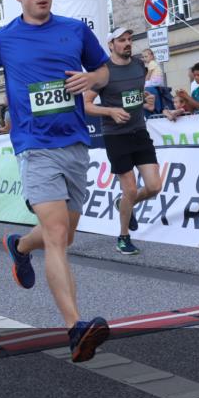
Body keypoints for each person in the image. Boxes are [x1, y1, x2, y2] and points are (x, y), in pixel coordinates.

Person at [0, 0, 111, 363]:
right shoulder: (4, 38)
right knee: (56, 234)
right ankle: (76, 328)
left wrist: (92, 80)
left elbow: (102, 70)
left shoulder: (74, 30)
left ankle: (19, 245)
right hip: (33, 144)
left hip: (74, 142)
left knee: (64, 234)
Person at [83, 27, 161, 256]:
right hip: (116, 136)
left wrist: (146, 100)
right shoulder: (103, 72)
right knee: (129, 189)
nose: (127, 43)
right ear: (111, 45)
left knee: (155, 186)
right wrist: (110, 112)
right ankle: (123, 236)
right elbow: (86, 104)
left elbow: (136, 96)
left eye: (129, 39)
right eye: (122, 40)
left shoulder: (139, 66)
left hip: (139, 132)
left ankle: (124, 204)